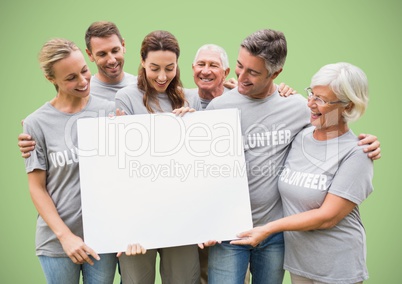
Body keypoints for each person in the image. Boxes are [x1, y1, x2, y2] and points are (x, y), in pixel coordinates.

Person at [204, 29, 380, 284]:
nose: (241, 77)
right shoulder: (219, 108)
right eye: (240, 66)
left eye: (253, 72)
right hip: (229, 231)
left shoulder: (298, 108)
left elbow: (335, 132)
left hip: (277, 233)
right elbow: (199, 167)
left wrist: (367, 143)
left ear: (275, 74)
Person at [232, 62, 373, 284]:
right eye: (311, 94)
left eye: (322, 100)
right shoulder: (300, 137)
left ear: (347, 107)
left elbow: (327, 217)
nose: (310, 104)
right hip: (300, 265)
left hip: (337, 267)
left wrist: (268, 228)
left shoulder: (357, 154)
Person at [23, 38, 117, 284]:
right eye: (71, 78)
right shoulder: (36, 123)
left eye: (84, 70)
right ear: (51, 80)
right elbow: (36, 187)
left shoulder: (110, 112)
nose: (83, 81)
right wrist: (65, 236)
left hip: (103, 238)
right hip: (56, 243)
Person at [115, 30, 201, 284]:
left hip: (181, 212)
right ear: (142, 62)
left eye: (170, 68)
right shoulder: (126, 98)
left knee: (184, 279)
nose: (162, 76)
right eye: (154, 68)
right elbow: (122, 163)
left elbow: (199, 161)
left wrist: (194, 124)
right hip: (138, 212)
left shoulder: (191, 97)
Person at [18, 21, 136, 157]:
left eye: (115, 50)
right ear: (90, 55)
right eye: (102, 54)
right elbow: (56, 119)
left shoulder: (143, 88)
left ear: (123, 46)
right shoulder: (82, 91)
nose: (111, 60)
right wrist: (34, 131)